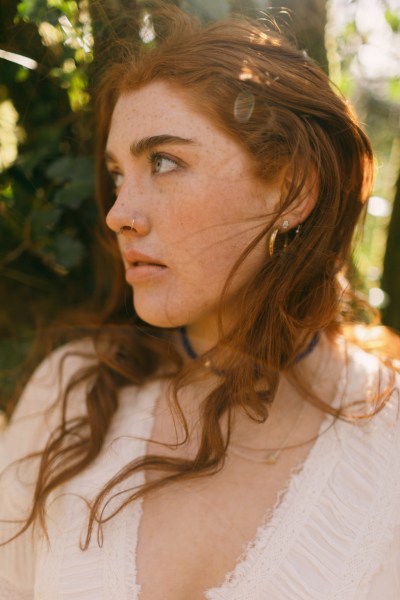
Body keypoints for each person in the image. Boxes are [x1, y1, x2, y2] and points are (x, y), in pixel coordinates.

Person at [1, 6, 399, 599]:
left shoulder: (388, 441)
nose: (117, 215)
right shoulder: (70, 396)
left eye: (164, 162)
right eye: (117, 175)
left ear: (294, 190)